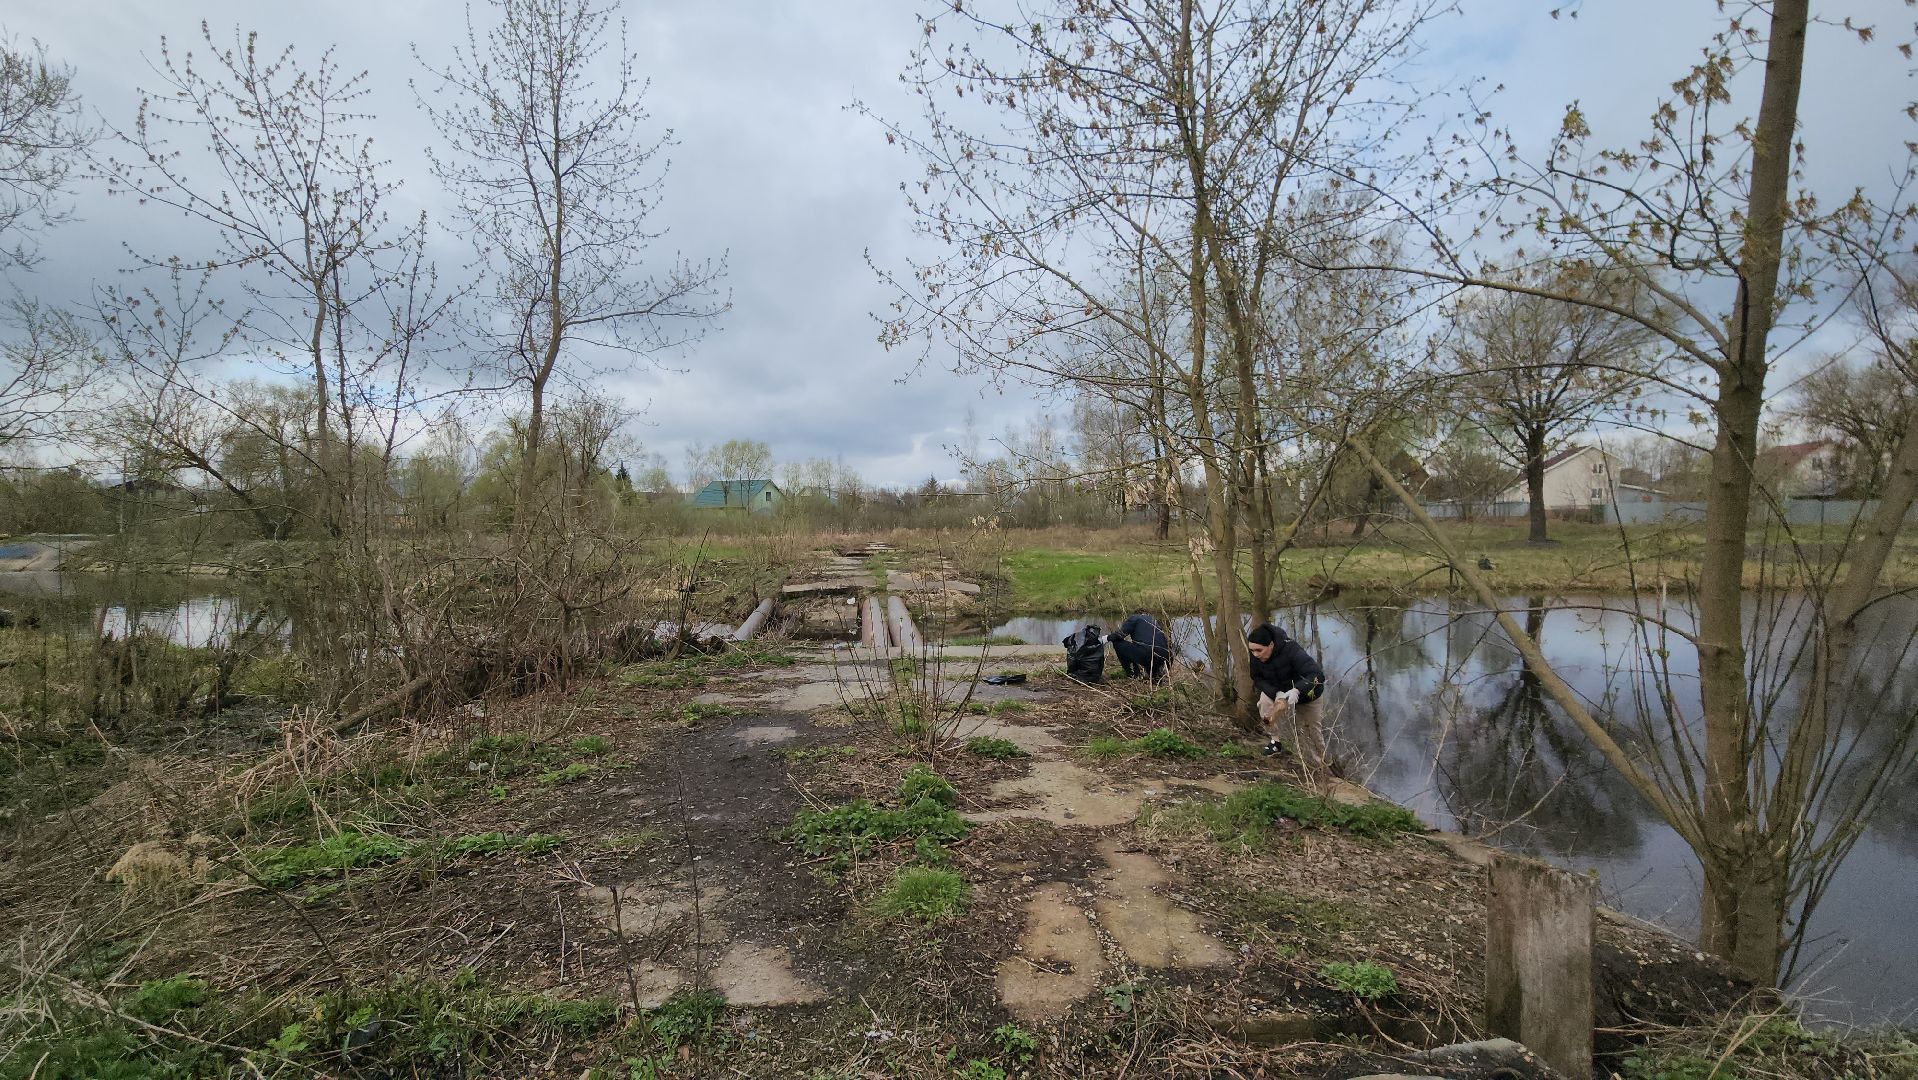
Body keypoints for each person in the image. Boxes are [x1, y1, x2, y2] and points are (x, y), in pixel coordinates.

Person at [1246, 623, 1325, 758]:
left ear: (1271, 645)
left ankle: (1322, 763)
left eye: (1259, 650)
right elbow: (1257, 678)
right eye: (1252, 651)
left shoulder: (1291, 649)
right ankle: (1275, 742)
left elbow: (1317, 675)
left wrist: (1297, 690)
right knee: (1264, 704)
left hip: (1307, 694)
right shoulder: (1256, 655)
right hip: (1278, 691)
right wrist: (1276, 693)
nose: (1255, 655)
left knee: (1311, 731)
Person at [1107, 613, 1172, 682]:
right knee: (1147, 650)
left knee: (1117, 643)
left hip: (1147, 654)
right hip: (1165, 656)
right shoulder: (1154, 622)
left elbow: (1119, 635)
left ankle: (1132, 674)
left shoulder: (1135, 618)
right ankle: (1155, 677)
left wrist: (1105, 639)